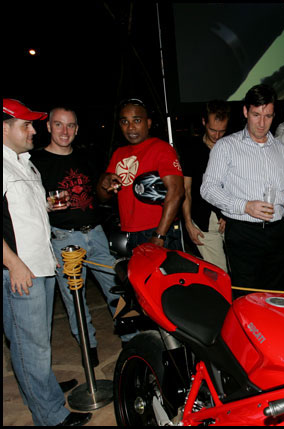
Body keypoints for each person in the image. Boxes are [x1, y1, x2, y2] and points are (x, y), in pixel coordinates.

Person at [3, 99, 91, 426]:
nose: (33, 130)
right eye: (26, 124)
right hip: (20, 271)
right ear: (4, 128)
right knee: (31, 346)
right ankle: (51, 416)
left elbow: (27, 215)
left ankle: (43, 387)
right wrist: (13, 264)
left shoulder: (26, 164)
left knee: (38, 341)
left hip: (42, 265)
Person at [30, 106, 133, 366]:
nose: (64, 131)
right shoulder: (35, 161)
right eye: (58, 124)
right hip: (64, 239)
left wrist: (108, 184)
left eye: (70, 125)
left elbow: (100, 192)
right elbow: (27, 204)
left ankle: (132, 340)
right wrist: (45, 205)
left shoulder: (87, 156)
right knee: (75, 299)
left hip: (96, 234)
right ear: (49, 127)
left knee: (118, 289)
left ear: (77, 129)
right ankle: (89, 347)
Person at [201, 84, 284, 292]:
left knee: (278, 295)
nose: (262, 123)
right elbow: (208, 188)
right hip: (243, 233)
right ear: (245, 111)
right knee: (247, 295)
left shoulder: (281, 149)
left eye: (268, 116)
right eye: (256, 115)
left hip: (279, 232)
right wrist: (245, 206)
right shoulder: (226, 146)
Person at [97, 98, 184, 254]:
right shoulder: (119, 153)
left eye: (136, 120)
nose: (130, 127)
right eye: (125, 122)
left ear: (148, 123)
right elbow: (103, 197)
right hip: (129, 232)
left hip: (157, 230)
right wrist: (103, 182)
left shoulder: (161, 148)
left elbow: (177, 192)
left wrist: (159, 234)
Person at [180, 100, 230, 271]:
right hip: (202, 221)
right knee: (219, 274)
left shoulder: (232, 148)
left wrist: (228, 213)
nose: (217, 136)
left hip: (231, 218)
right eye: (212, 130)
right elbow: (186, 189)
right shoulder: (191, 149)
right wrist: (188, 224)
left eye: (222, 131)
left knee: (240, 273)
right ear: (204, 122)